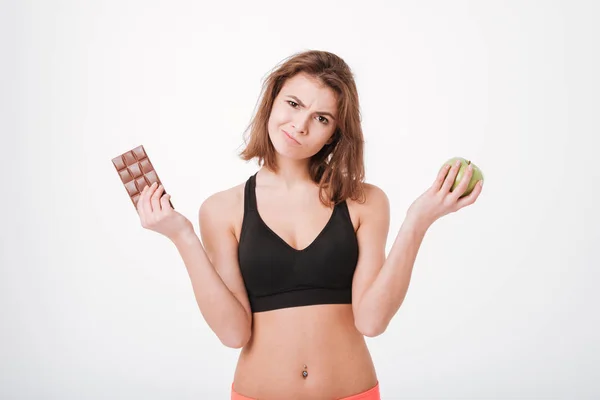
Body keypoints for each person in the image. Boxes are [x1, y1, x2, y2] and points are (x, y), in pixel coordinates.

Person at [135, 50, 483, 400]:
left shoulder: (364, 201)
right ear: (272, 101)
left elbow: (372, 322)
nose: (300, 125)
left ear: (334, 133)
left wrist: (417, 221)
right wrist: (182, 236)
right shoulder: (221, 209)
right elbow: (232, 334)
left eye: (321, 118)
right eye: (294, 103)